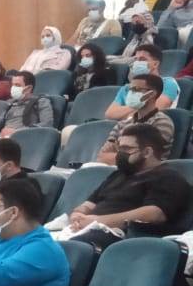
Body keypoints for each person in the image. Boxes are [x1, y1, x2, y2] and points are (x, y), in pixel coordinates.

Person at [59, 123, 189, 249]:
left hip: (121, 238)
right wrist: (78, 215)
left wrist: (98, 221)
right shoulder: (118, 174)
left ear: (147, 152)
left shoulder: (168, 177)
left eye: (126, 149)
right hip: (86, 230)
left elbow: (154, 214)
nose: (120, 153)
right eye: (119, 148)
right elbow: (90, 203)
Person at [96, 74, 174, 164]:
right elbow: (102, 156)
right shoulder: (122, 124)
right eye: (130, 90)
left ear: (151, 94)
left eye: (136, 89)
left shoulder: (162, 122)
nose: (131, 93)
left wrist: (116, 154)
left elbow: (146, 158)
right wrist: (128, 154)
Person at [105, 44, 179, 120]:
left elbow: (156, 108)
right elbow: (110, 114)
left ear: (155, 64)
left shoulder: (168, 83)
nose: (137, 63)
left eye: (142, 59)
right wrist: (138, 106)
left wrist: (124, 113)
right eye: (136, 60)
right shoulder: (126, 88)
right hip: (125, 125)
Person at [0, 71, 54, 137]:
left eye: (17, 85)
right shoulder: (11, 104)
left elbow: (47, 124)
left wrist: (17, 132)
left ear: (29, 88)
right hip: (4, 140)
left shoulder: (41, 101)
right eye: (12, 85)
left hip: (25, 138)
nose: (13, 88)